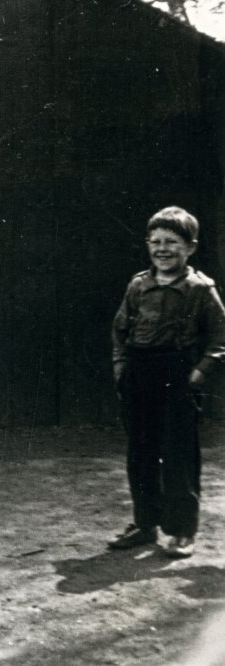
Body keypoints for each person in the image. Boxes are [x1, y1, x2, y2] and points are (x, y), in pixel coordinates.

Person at [109, 206, 225, 557]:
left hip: (179, 376)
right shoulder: (137, 285)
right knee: (140, 451)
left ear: (190, 247)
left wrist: (197, 374)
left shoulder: (200, 290)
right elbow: (120, 330)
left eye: (172, 242)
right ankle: (145, 523)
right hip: (139, 372)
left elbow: (220, 339)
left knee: (178, 455)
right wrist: (121, 367)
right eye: (155, 241)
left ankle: (180, 530)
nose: (162, 249)